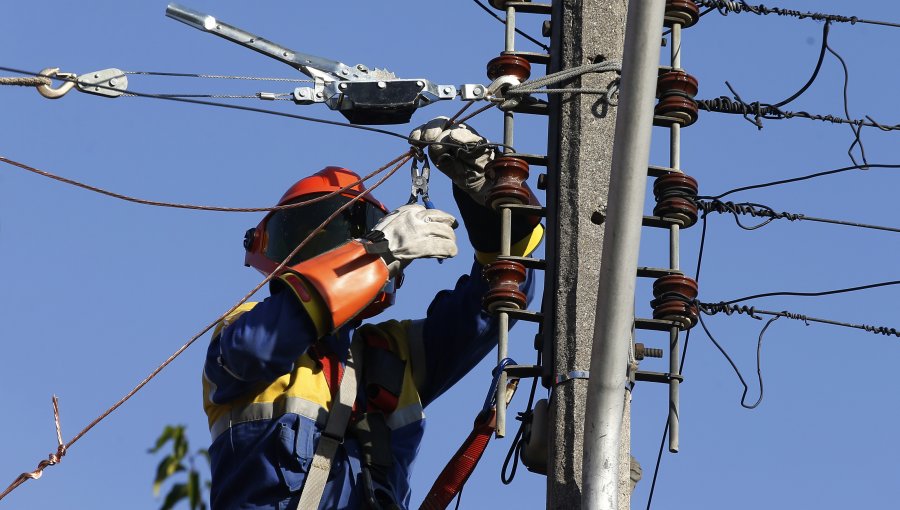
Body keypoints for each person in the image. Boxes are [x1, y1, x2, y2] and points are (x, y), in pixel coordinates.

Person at [201, 118, 544, 509]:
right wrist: (376, 254)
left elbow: (499, 296)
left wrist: (491, 196)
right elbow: (259, 347)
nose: (327, 252)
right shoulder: (242, 333)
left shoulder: (393, 356)